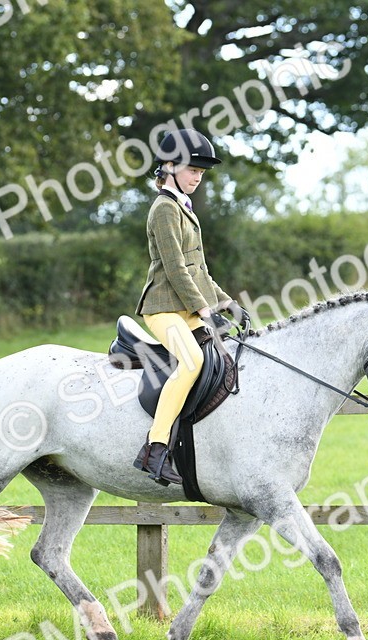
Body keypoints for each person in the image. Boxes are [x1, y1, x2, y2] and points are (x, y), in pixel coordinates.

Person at [132, 128, 245, 485]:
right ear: (168, 166)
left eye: (201, 171)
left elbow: (199, 270)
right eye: (192, 169)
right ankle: (155, 448)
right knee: (193, 361)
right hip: (163, 308)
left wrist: (226, 302)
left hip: (187, 308)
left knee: (222, 356)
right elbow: (176, 269)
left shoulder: (183, 208)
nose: (198, 176)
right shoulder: (164, 209)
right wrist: (204, 310)